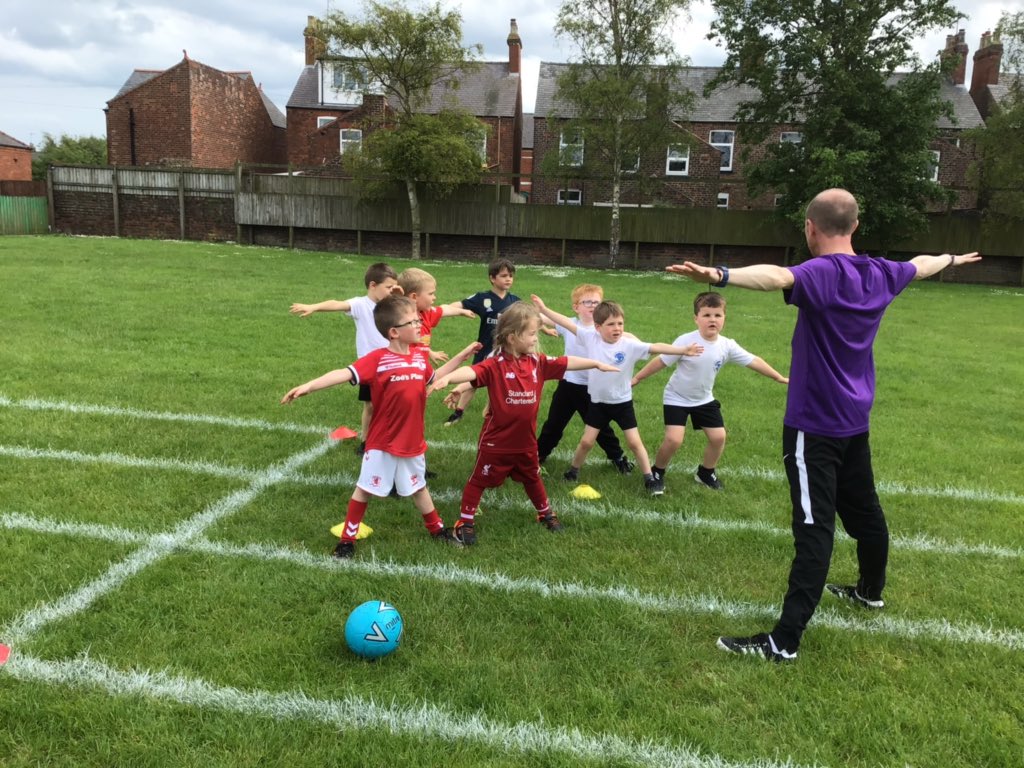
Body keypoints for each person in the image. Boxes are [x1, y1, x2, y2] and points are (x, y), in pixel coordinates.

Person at [667, 187, 980, 662]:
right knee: (866, 512)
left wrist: (720, 274)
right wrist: (952, 258)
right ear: (855, 226)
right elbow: (921, 264)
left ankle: (784, 642)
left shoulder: (818, 272)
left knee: (815, 527)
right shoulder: (882, 272)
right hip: (855, 420)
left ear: (810, 228)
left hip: (814, 425)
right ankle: (870, 591)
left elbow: (776, 276)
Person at [281, 294, 481, 559]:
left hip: (412, 441)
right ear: (394, 332)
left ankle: (437, 529)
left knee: (418, 487)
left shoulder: (419, 358)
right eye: (412, 322)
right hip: (382, 443)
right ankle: (346, 541)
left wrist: (463, 355)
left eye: (418, 320)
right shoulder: (377, 359)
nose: (419, 324)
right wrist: (309, 386)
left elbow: (436, 377)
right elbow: (343, 373)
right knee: (365, 489)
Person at [432, 301, 619, 545]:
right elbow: (472, 372)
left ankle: (545, 514)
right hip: (496, 442)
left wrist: (595, 363)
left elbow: (566, 361)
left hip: (526, 441)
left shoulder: (537, 362)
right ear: (512, 337)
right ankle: (465, 522)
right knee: (479, 480)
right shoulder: (495, 365)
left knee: (532, 477)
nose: (535, 338)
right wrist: (448, 379)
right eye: (531, 333)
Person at [532, 295, 703, 496]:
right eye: (611, 324)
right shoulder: (590, 338)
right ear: (597, 327)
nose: (617, 328)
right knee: (586, 442)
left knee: (634, 443)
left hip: (622, 403)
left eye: (620, 323)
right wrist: (544, 308)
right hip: (597, 404)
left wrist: (683, 349)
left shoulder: (629, 345)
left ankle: (649, 478)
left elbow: (655, 346)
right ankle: (573, 471)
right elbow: (565, 322)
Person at [631, 291, 788, 493]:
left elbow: (753, 360)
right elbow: (661, 361)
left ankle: (706, 472)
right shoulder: (686, 341)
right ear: (696, 318)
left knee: (718, 437)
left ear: (724, 318)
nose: (712, 319)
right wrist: (637, 378)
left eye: (717, 315)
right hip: (677, 397)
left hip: (704, 399)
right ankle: (658, 471)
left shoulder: (727, 345)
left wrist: (777, 377)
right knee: (674, 440)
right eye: (706, 315)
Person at [289, 262, 399, 455]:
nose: (392, 291)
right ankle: (366, 442)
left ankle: (392, 441)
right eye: (388, 287)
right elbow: (336, 303)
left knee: (394, 406)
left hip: (394, 364)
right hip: (369, 367)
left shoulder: (394, 306)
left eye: (394, 287)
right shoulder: (361, 304)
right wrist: (314, 307)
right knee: (371, 405)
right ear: (373, 285)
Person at [536, 284, 635, 476]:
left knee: (601, 428)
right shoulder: (569, 324)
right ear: (576, 307)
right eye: (587, 302)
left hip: (593, 389)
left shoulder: (604, 328)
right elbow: (543, 317)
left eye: (596, 302)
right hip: (568, 385)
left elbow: (627, 339)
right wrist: (518, 313)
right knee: (554, 424)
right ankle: (539, 455)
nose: (592, 305)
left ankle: (617, 457)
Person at [443, 258, 520, 426]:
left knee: (502, 382)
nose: (508, 279)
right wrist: (446, 309)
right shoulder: (482, 298)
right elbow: (460, 304)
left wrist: (545, 329)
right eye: (504, 276)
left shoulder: (515, 301)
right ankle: (458, 412)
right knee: (474, 380)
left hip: (506, 351)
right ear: (492, 278)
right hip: (485, 348)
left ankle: (494, 412)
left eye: (511, 276)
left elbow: (528, 318)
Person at [397, 267, 475, 365]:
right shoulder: (401, 320)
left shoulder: (426, 313)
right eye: (431, 294)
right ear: (414, 297)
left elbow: (443, 309)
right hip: (406, 366)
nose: (434, 297)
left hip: (421, 366)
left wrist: (461, 312)